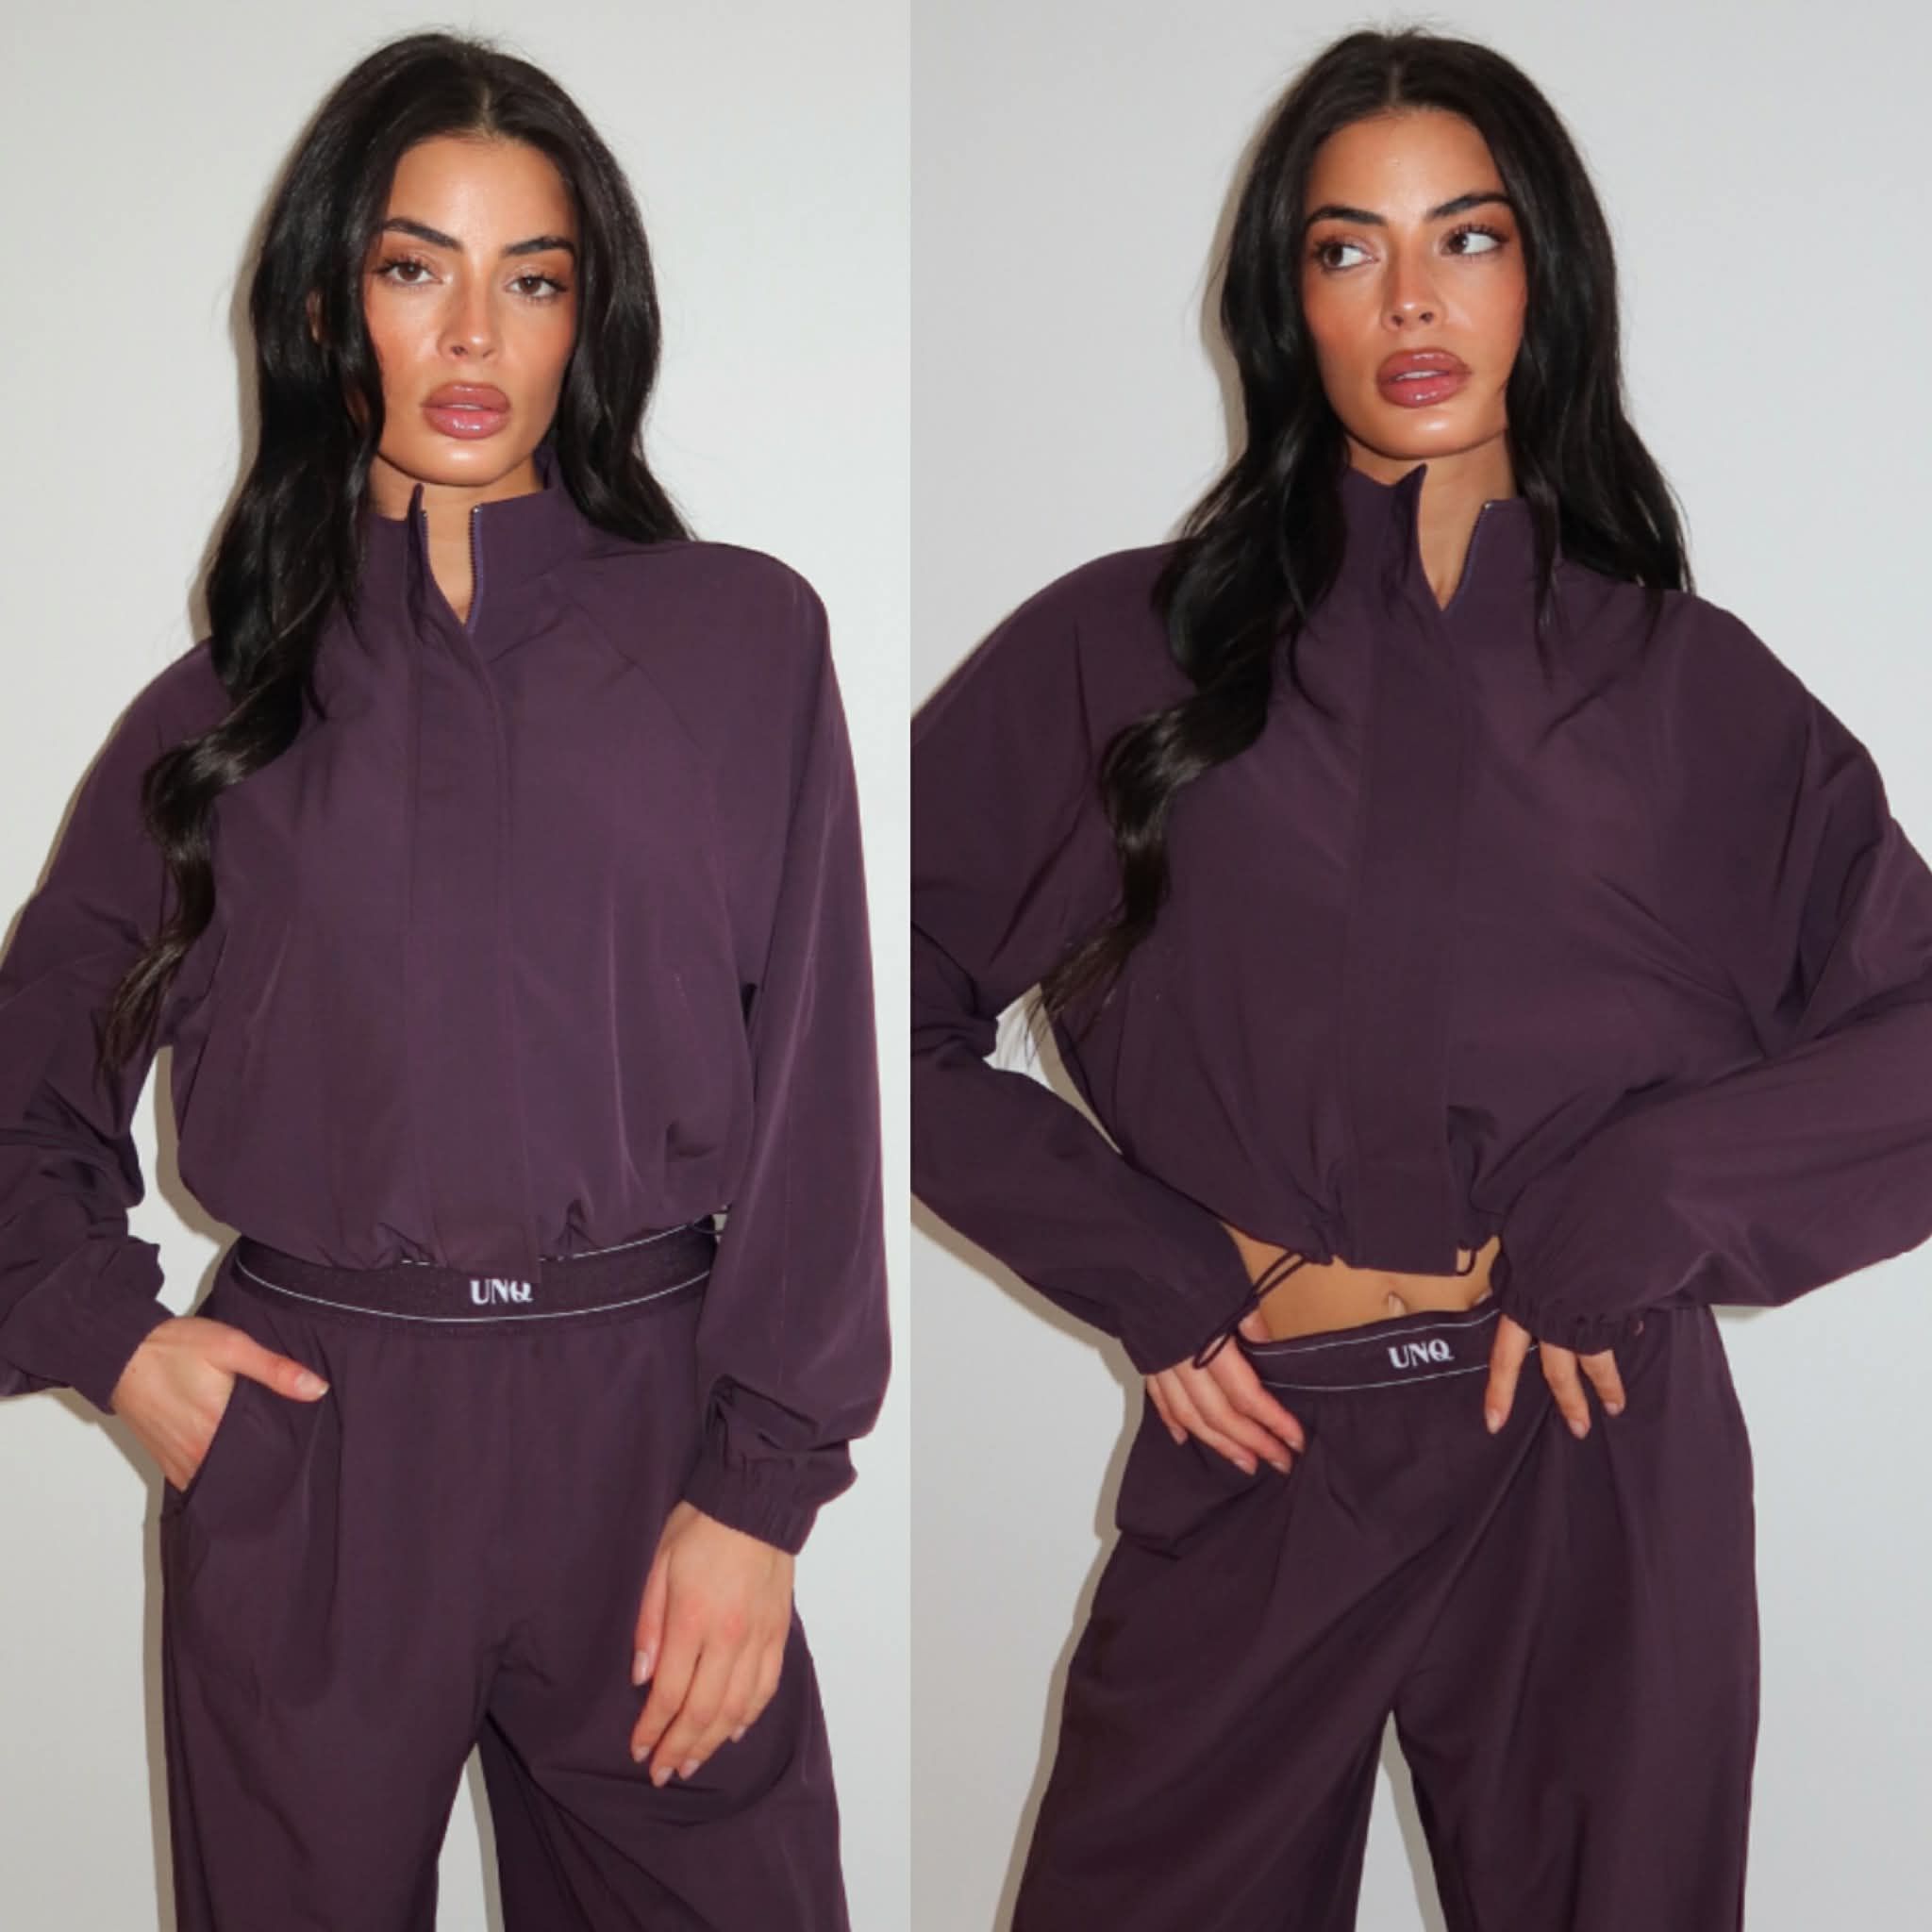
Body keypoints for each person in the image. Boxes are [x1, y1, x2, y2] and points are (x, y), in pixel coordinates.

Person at [910, 25, 1932, 1930]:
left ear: (1545, 275)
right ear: (1281, 297)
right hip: (1261, 1442)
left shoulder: (1688, 691)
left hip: (1589, 1454)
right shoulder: (1125, 650)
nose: (1409, 301)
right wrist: (1142, 1265)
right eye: (1345, 248)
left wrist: (1647, 1196)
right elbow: (832, 991)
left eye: (1464, 238)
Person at [0, 30, 886, 1930]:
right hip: (318, 1457)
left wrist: (761, 1493)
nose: (474, 334)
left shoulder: (741, 644)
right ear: (333, 307)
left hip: (649, 1437)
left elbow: (820, 1092)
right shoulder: (219, 714)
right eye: (418, 269)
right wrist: (111, 1342)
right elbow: (21, 1084)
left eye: (531, 280)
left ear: (588, 322)